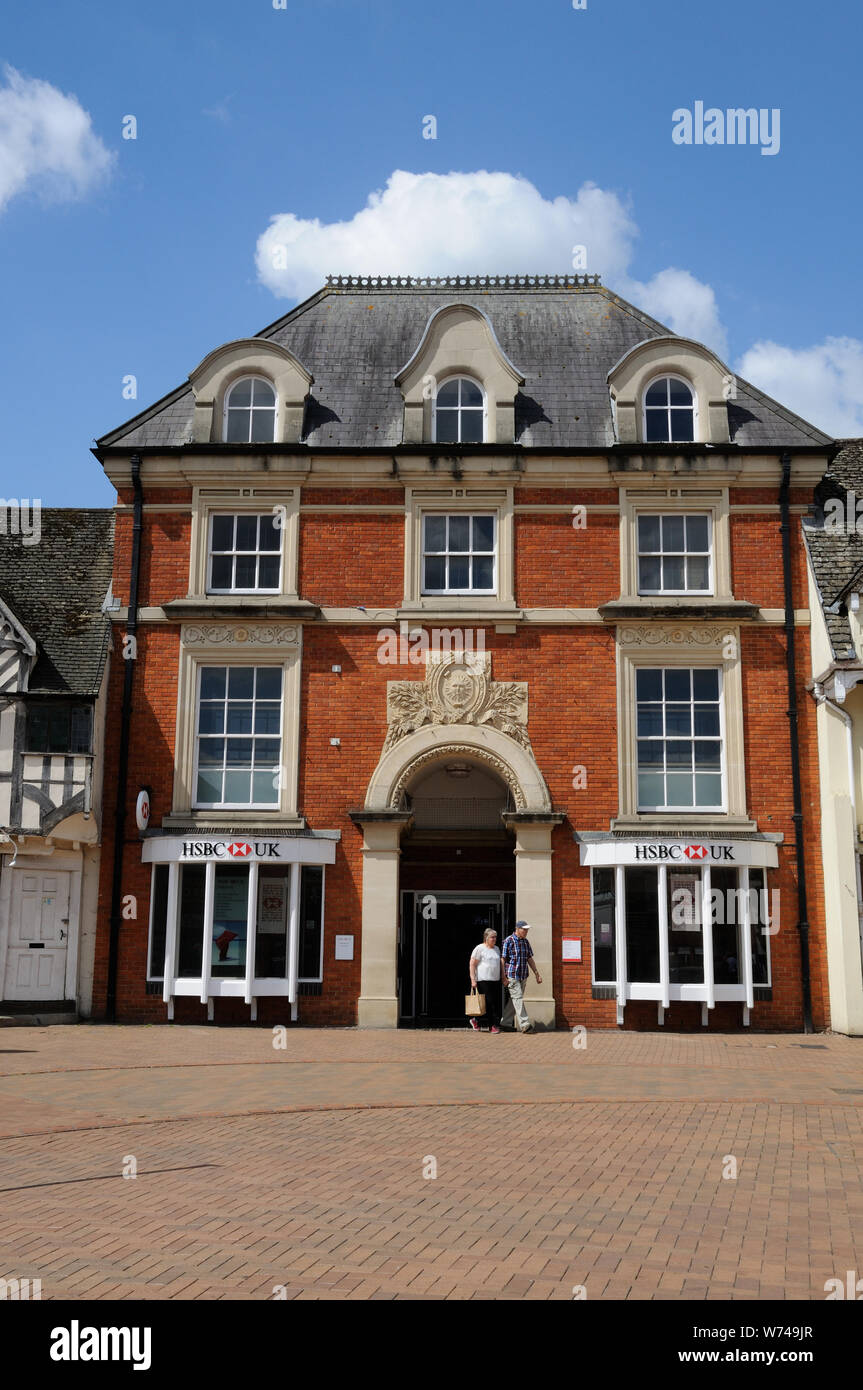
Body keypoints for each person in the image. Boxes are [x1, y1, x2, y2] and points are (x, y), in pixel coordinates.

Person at [501, 920, 542, 1033]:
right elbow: (503, 959)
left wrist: (537, 974)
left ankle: (505, 1023)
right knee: (518, 998)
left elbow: (529, 958)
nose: (526, 931)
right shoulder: (508, 941)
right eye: (524, 929)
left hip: (523, 975)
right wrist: (503, 976)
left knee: (514, 1000)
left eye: (527, 930)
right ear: (517, 929)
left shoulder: (525, 942)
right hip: (512, 975)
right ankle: (525, 1025)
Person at [468, 926, 502, 1033]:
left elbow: (500, 964)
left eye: (495, 937)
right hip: (483, 980)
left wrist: (503, 977)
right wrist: (473, 979)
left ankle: (475, 1020)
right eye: (492, 937)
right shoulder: (479, 948)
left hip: (495, 980)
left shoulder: (497, 949)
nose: (494, 939)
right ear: (486, 938)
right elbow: (472, 964)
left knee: (490, 1003)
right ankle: (492, 1026)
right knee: (490, 1003)